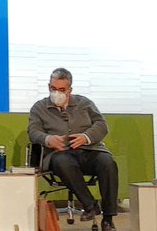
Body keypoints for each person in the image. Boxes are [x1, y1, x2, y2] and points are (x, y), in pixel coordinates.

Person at [28, 67, 119, 231]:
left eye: (61, 90)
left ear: (70, 90)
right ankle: (90, 205)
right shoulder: (39, 107)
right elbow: (33, 132)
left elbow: (102, 124)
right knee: (62, 161)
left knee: (108, 163)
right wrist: (48, 139)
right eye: (53, 89)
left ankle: (108, 219)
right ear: (49, 87)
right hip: (60, 154)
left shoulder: (84, 103)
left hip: (90, 150)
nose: (57, 93)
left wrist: (86, 137)